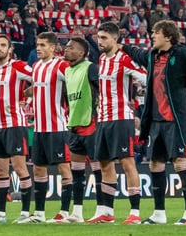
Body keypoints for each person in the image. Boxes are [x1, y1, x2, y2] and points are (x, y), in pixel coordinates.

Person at [123, 20, 186, 225]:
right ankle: (159, 213)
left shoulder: (181, 54)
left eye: (155, 33)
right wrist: (121, 45)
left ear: (168, 36)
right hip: (156, 122)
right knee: (155, 164)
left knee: (180, 163)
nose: (152, 36)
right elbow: (136, 53)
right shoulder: (152, 56)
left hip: (175, 121)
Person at [86, 21, 147, 224]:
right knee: (104, 164)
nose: (100, 41)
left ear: (115, 38)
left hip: (121, 119)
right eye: (98, 37)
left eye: (104, 38)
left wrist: (140, 94)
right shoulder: (102, 59)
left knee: (127, 163)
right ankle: (107, 212)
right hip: (103, 119)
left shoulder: (124, 59)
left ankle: (135, 213)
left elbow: (145, 78)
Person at [0, 34, 35, 223]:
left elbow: (39, 79)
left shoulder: (18, 66)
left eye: (2, 45)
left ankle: (25, 213)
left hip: (15, 125)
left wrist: (28, 99)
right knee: (1, 171)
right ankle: (0, 214)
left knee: (20, 169)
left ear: (9, 49)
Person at [27, 32, 73, 223]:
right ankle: (39, 213)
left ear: (53, 48)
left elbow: (74, 85)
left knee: (64, 168)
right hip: (39, 129)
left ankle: (64, 212)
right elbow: (37, 89)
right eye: (38, 45)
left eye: (43, 45)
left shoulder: (61, 65)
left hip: (57, 127)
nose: (38, 48)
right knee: (38, 169)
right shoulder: (36, 67)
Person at [61, 37, 98, 223]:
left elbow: (101, 90)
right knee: (77, 172)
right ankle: (77, 212)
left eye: (71, 48)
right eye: (66, 47)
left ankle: (103, 210)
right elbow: (66, 97)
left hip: (91, 124)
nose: (66, 50)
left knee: (98, 170)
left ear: (81, 53)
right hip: (74, 126)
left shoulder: (90, 68)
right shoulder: (67, 71)